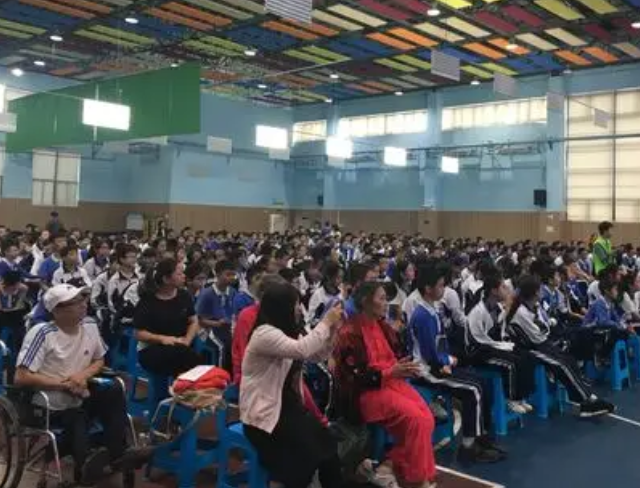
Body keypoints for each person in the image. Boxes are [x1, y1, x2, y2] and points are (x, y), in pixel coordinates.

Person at [16, 284, 149, 485]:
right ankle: (85, 463)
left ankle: (119, 453)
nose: (83, 305)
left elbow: (99, 360)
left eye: (83, 300)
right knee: (76, 415)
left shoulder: (89, 326)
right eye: (75, 302)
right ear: (57, 310)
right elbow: (21, 377)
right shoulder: (42, 333)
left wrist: (82, 376)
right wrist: (65, 385)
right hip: (50, 402)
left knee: (114, 388)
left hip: (82, 391)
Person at [241, 282, 345, 488]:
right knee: (305, 455)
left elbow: (316, 355)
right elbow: (302, 350)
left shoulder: (288, 332)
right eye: (296, 304)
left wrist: (332, 330)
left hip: (287, 407)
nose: (299, 309)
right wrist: (325, 322)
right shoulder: (264, 334)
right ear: (283, 307)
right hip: (264, 415)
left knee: (328, 445)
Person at [333, 281, 436, 488]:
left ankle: (389, 465)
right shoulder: (349, 332)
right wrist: (390, 371)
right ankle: (418, 480)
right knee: (416, 420)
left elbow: (396, 355)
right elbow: (353, 378)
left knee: (428, 419)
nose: (386, 303)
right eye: (381, 298)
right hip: (366, 393)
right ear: (366, 301)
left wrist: (403, 366)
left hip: (391, 383)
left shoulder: (383, 326)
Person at [408, 261, 504, 464]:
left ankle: (482, 436)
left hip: (439, 364)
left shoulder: (432, 309)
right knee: (473, 390)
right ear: (428, 288)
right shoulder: (422, 315)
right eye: (440, 285)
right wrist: (448, 360)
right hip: (428, 371)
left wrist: (448, 358)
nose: (444, 289)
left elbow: (439, 343)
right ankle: (468, 448)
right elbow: (430, 353)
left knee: (482, 384)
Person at [507, 275, 615, 418]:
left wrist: (545, 327)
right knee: (561, 364)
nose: (542, 291)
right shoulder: (521, 312)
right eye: (539, 289)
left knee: (569, 359)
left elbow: (544, 327)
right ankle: (586, 401)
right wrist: (545, 328)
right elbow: (539, 334)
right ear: (534, 292)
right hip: (528, 349)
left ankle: (587, 398)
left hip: (541, 343)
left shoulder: (534, 306)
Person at [466, 273, 536, 415]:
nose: (507, 290)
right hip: (478, 352)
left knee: (527, 356)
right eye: (503, 287)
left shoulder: (497, 307)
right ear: (494, 290)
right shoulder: (477, 312)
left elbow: (500, 331)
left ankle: (521, 397)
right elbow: (478, 340)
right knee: (511, 364)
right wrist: (501, 346)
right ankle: (512, 399)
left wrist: (504, 344)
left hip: (493, 346)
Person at [133, 258, 204, 377]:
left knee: (184, 355)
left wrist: (187, 340)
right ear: (166, 279)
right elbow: (139, 333)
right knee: (183, 359)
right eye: (179, 274)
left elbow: (193, 321)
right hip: (152, 349)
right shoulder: (148, 300)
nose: (184, 276)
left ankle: (186, 385)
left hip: (181, 346)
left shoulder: (184, 296)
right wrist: (163, 339)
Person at [196, 259, 237, 371]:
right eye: (228, 274)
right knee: (221, 346)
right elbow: (199, 320)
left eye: (233, 275)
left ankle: (232, 374)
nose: (231, 277)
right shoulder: (207, 293)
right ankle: (220, 373)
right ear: (218, 275)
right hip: (208, 328)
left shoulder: (232, 292)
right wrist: (216, 323)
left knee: (237, 342)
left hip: (226, 327)